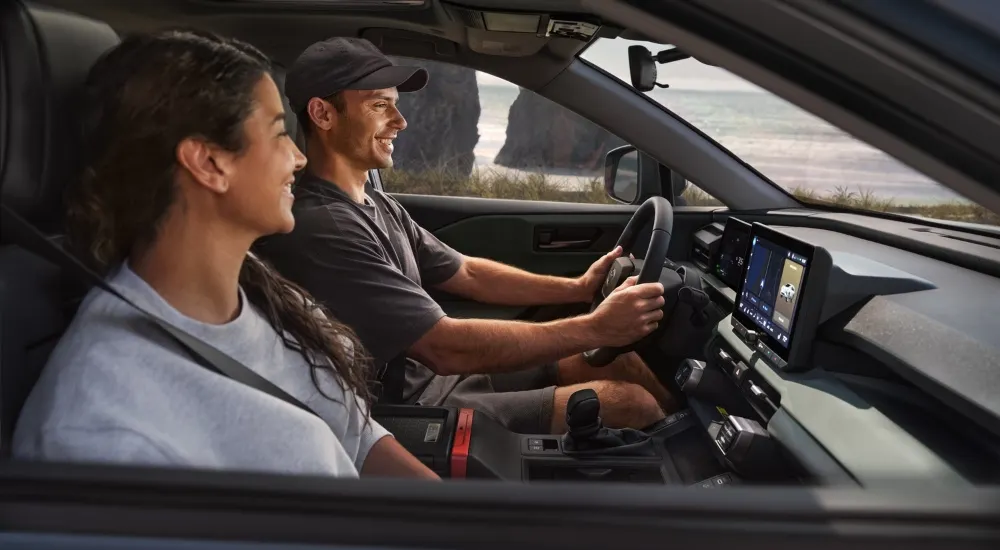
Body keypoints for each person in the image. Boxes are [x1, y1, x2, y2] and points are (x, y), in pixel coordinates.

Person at [12, 30, 437, 480]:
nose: (297, 157)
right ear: (209, 163)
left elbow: (355, 437)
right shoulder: (103, 430)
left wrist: (446, 508)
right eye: (279, 133)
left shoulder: (258, 289)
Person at [255, 37, 677, 435]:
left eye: (396, 105)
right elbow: (444, 348)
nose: (400, 121)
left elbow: (468, 274)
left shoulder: (376, 204)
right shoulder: (324, 227)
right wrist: (596, 328)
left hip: (443, 380)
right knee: (629, 404)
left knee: (619, 364)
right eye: (380, 105)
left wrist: (579, 288)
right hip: (407, 408)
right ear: (323, 114)